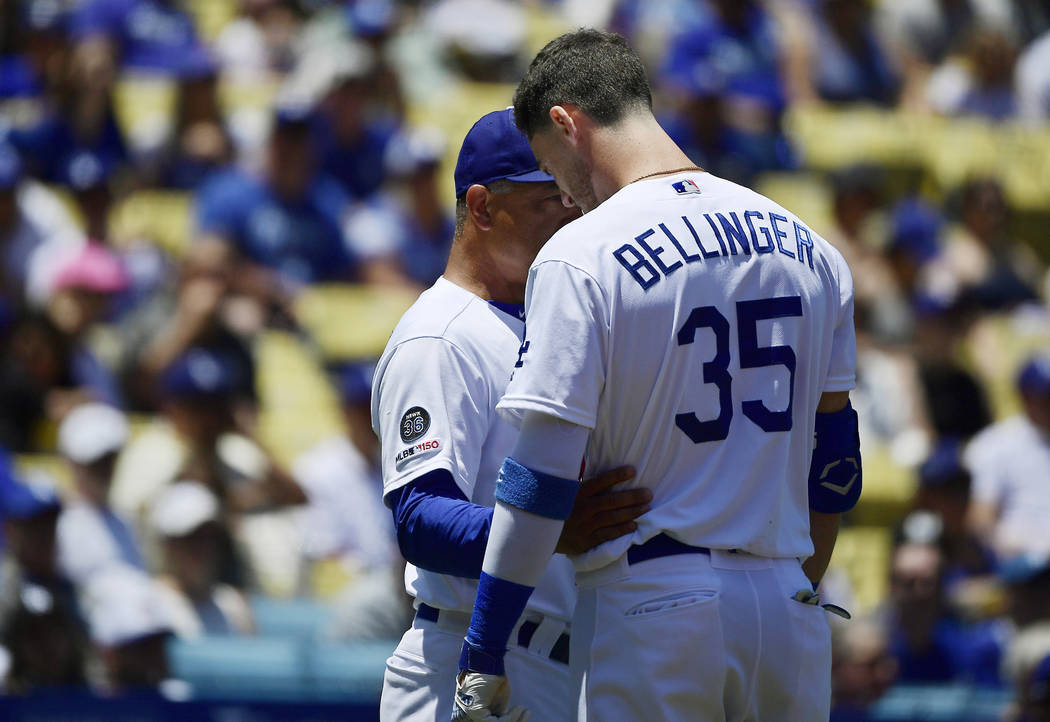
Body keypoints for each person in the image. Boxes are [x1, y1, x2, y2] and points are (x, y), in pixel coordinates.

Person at [453, 30, 861, 722]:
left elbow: (538, 479)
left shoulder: (582, 252)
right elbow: (838, 460)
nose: (563, 193)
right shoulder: (812, 247)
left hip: (655, 606)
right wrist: (796, 586)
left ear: (565, 122)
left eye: (552, 170)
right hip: (788, 609)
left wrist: (485, 646)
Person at [371, 108, 650, 722]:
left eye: (573, 192)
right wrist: (544, 529)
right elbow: (419, 519)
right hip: (464, 662)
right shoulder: (440, 335)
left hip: (560, 665)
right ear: (481, 206)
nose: (574, 209)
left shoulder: (550, 322)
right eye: (549, 195)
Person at [965, 354, 1050, 560]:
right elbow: (981, 518)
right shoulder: (995, 444)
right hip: (1020, 561)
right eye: (1044, 398)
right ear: (1024, 397)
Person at [56, 402, 146, 585]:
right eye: (93, 463)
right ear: (70, 462)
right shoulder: (59, 525)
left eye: (107, 460)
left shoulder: (127, 522)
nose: (102, 471)